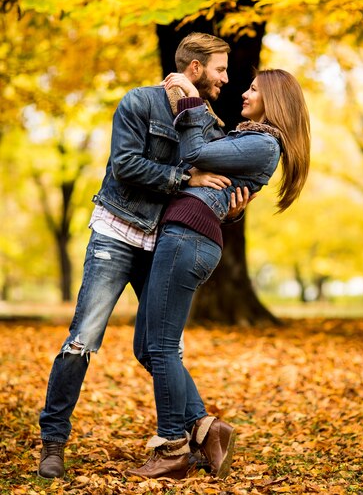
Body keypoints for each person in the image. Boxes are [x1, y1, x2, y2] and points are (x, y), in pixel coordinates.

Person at [38, 32, 250, 479]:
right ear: (194, 69)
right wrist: (184, 178)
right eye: (220, 69)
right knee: (82, 341)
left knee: (155, 347)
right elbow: (126, 165)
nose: (226, 79)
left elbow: (211, 191)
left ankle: (203, 427)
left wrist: (231, 210)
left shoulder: (209, 126)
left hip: (165, 244)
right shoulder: (140, 103)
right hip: (117, 233)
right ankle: (53, 443)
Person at [128, 68, 311, 480]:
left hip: (188, 240)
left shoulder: (265, 144)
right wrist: (232, 206)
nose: (243, 93)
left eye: (253, 89)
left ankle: (173, 447)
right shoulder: (250, 137)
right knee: (147, 346)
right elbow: (208, 173)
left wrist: (191, 99)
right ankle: (208, 428)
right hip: (183, 235)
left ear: (275, 100)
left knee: (162, 347)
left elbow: (195, 155)